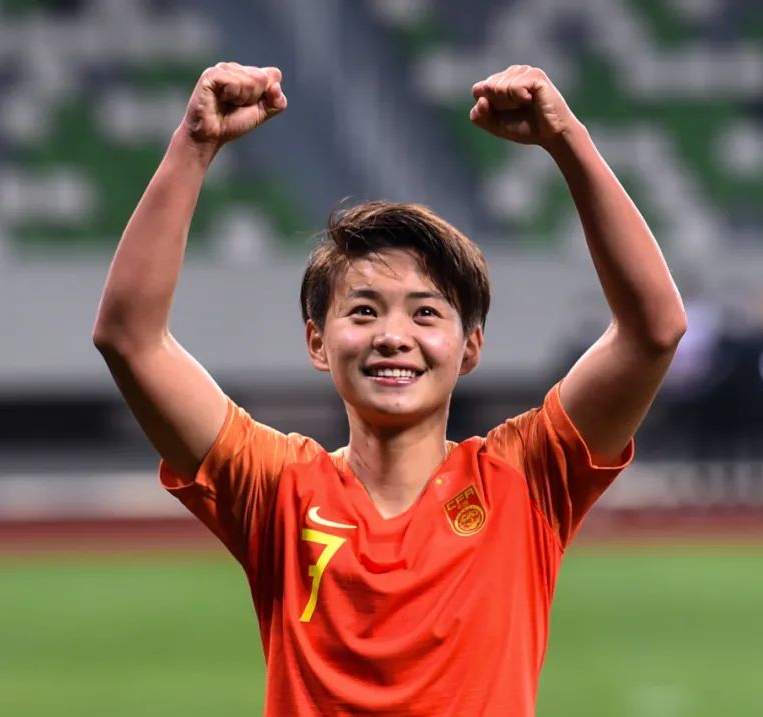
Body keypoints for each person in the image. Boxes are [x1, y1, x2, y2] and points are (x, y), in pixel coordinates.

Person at [93, 61, 686, 716]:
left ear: (470, 347)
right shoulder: (277, 490)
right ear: (318, 342)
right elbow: (130, 339)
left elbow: (652, 331)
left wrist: (566, 139)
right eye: (364, 311)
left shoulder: (525, 479)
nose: (393, 336)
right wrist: (194, 143)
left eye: (425, 312)